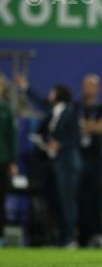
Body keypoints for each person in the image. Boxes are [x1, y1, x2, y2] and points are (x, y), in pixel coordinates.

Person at [15, 75, 81, 247]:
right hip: (55, 164)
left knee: (67, 202)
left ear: (59, 94)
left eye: (52, 92)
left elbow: (74, 138)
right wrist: (26, 88)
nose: (49, 94)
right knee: (57, 202)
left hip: (68, 164)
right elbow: (41, 103)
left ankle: (70, 238)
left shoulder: (71, 112)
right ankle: (60, 238)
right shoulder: (54, 111)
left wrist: (58, 145)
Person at [76, 74, 102, 247]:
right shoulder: (76, 107)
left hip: (95, 160)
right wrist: (92, 127)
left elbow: (101, 128)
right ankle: (79, 236)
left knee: (97, 197)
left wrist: (88, 127)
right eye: (86, 85)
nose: (88, 89)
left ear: (98, 89)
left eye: (92, 86)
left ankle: (97, 235)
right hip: (78, 159)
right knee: (79, 198)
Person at [0, 75, 17, 247]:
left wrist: (13, 161)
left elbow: (12, 138)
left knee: (1, 200)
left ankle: (0, 237)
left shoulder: (6, 110)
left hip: (2, 160)